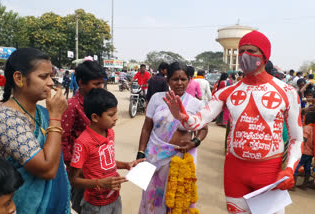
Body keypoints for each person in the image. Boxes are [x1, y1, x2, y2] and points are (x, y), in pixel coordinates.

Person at [164, 31, 303, 214]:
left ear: (264, 55)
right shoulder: (227, 91)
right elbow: (197, 122)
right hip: (234, 172)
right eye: (241, 51)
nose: (245, 56)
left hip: (269, 172)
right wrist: (181, 115)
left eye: (251, 50)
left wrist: (290, 169)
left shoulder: (287, 92)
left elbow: (296, 139)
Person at [0, 48, 70, 213]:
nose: (51, 82)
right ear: (19, 78)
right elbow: (47, 170)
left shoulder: (42, 112)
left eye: (50, 76)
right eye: (43, 77)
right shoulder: (5, 119)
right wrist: (56, 116)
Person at [137, 62, 208, 213]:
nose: (179, 83)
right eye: (175, 79)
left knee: (178, 198)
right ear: (168, 80)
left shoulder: (196, 104)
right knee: (152, 195)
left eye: (183, 79)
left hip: (181, 156)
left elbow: (203, 129)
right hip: (154, 156)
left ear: (189, 80)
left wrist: (194, 143)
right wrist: (141, 153)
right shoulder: (157, 99)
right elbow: (146, 127)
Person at [69, 88, 144, 214]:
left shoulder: (110, 133)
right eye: (111, 115)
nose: (116, 118)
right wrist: (100, 183)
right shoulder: (83, 143)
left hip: (114, 198)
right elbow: (73, 180)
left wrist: (126, 165)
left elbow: (104, 161)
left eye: (116, 113)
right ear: (95, 117)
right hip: (95, 205)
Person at [61, 60, 104, 212]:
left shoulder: (100, 103)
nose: (100, 88)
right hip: (81, 171)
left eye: (102, 84)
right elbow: (62, 140)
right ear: (81, 82)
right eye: (96, 84)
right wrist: (75, 168)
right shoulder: (71, 106)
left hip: (98, 166)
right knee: (83, 206)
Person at [292, 111, 315, 191]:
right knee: (307, 168)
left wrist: (298, 148)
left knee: (297, 166)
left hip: (304, 152)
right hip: (311, 153)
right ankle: (304, 185)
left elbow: (304, 139)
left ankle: (292, 185)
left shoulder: (306, 128)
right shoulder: (313, 128)